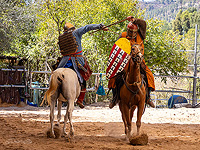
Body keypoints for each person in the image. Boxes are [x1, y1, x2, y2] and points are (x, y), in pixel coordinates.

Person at [57, 22, 108, 108]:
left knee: (55, 74)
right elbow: (87, 27)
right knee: (83, 77)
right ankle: (80, 99)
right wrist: (100, 26)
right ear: (72, 29)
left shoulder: (61, 37)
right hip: (76, 61)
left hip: (64, 62)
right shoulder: (76, 32)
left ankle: (52, 92)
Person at [108, 16, 155, 109]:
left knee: (149, 75)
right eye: (130, 31)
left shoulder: (141, 35)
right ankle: (114, 98)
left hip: (139, 61)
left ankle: (148, 97)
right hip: (125, 62)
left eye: (134, 32)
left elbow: (143, 24)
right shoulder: (122, 35)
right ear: (127, 30)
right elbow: (118, 48)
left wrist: (135, 20)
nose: (132, 33)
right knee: (113, 78)